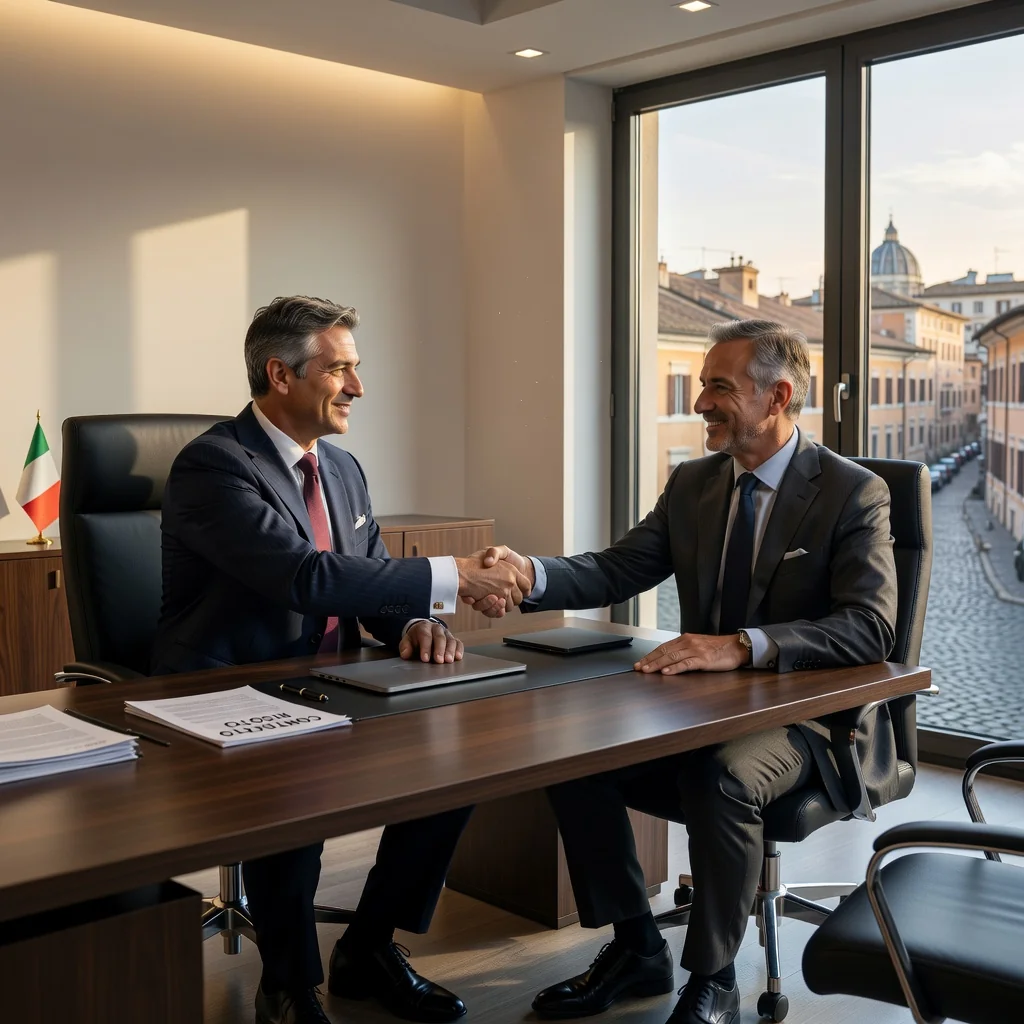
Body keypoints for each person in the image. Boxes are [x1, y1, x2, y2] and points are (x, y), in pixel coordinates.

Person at [472, 319, 898, 1024]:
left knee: (720, 776)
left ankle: (714, 979)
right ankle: (638, 947)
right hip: (706, 705)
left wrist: (740, 645)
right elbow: (617, 568)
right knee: (571, 758)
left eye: (719, 388)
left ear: (778, 396)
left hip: (812, 723)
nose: (700, 402)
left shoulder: (853, 493)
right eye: (702, 385)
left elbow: (870, 627)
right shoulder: (695, 483)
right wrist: (531, 572)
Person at [154, 295, 531, 1024]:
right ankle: (289, 985)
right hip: (230, 685)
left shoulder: (344, 470)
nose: (359, 387)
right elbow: (306, 577)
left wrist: (414, 624)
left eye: (357, 369)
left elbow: (368, 576)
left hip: (330, 680)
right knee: (291, 789)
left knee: (459, 767)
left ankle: (370, 946)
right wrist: (456, 575)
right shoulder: (213, 466)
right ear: (281, 375)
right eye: (342, 370)